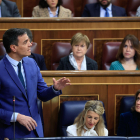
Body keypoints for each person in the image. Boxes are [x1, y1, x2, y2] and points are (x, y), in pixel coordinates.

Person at [0, 28, 70, 139]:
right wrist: (16, 116)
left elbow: (42, 94)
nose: (30, 44)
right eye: (25, 42)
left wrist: (55, 89)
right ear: (13, 48)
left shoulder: (31, 62)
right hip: (11, 132)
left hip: (35, 131)